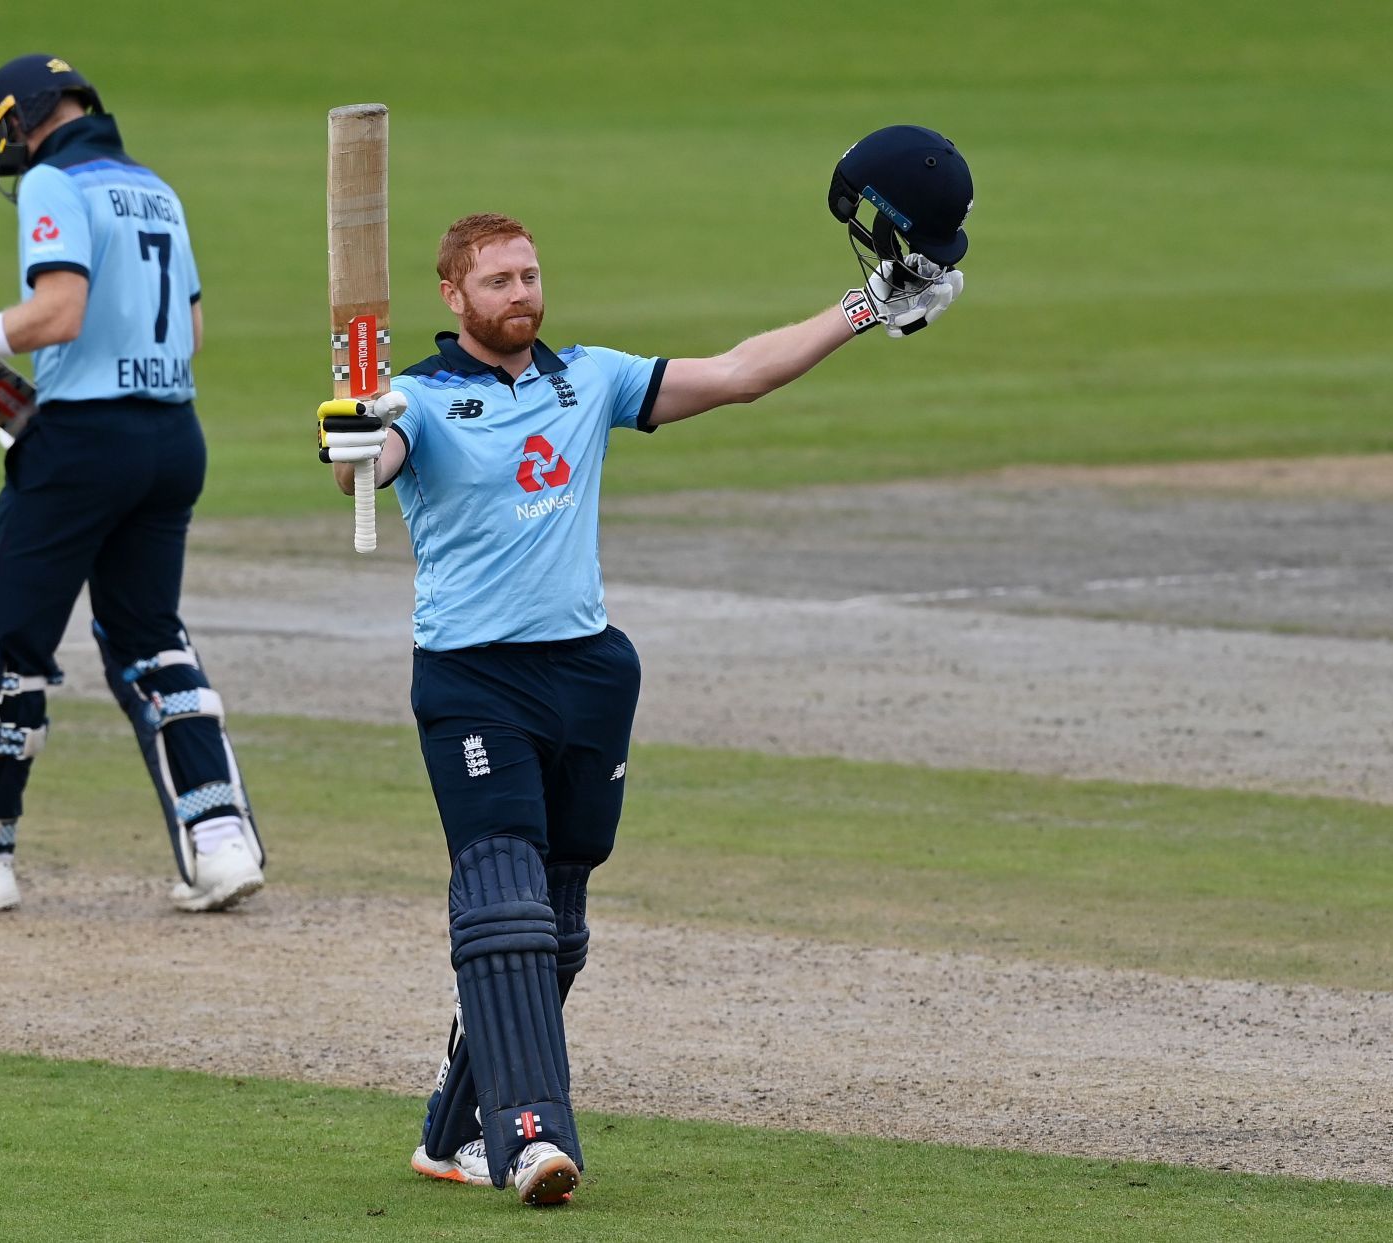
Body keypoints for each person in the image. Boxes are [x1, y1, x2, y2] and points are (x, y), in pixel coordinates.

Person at [316, 125, 973, 1206]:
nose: (520, 293)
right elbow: (366, 465)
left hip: (589, 674)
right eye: (497, 280)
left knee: (559, 925)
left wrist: (865, 307)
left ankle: (452, 1131)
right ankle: (531, 1137)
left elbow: (737, 373)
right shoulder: (418, 401)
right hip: (475, 678)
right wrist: (350, 437)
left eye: (530, 273)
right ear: (452, 293)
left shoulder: (592, 379)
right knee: (504, 903)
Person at [0, 54, 266, 913]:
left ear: (23, 119)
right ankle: (220, 843)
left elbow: (58, 311)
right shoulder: (156, 188)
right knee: (151, 639)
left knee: (5, 648)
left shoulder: (53, 180)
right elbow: (189, 328)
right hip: (174, 438)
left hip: (82, 447)